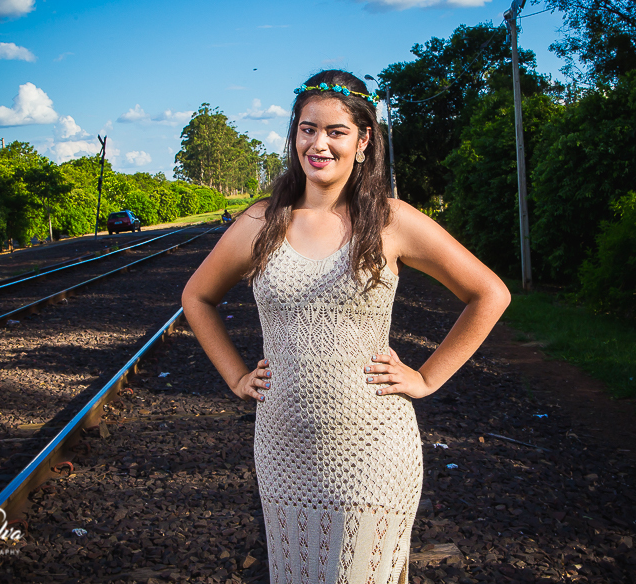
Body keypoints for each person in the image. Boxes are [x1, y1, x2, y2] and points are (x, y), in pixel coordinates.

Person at [182, 70, 510, 583]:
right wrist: (235, 377)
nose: (320, 143)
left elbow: (489, 293)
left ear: (363, 141)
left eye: (336, 131)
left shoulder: (390, 220)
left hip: (373, 450)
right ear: (294, 136)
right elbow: (197, 296)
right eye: (308, 129)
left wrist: (426, 378)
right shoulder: (260, 222)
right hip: (283, 451)